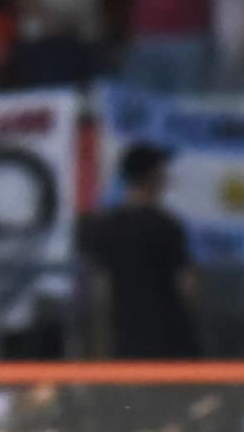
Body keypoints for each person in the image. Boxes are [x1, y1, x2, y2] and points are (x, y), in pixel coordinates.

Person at [78, 143, 199, 359]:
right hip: (169, 336)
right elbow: (186, 284)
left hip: (123, 335)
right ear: (153, 178)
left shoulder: (104, 226)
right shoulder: (166, 226)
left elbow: (99, 287)